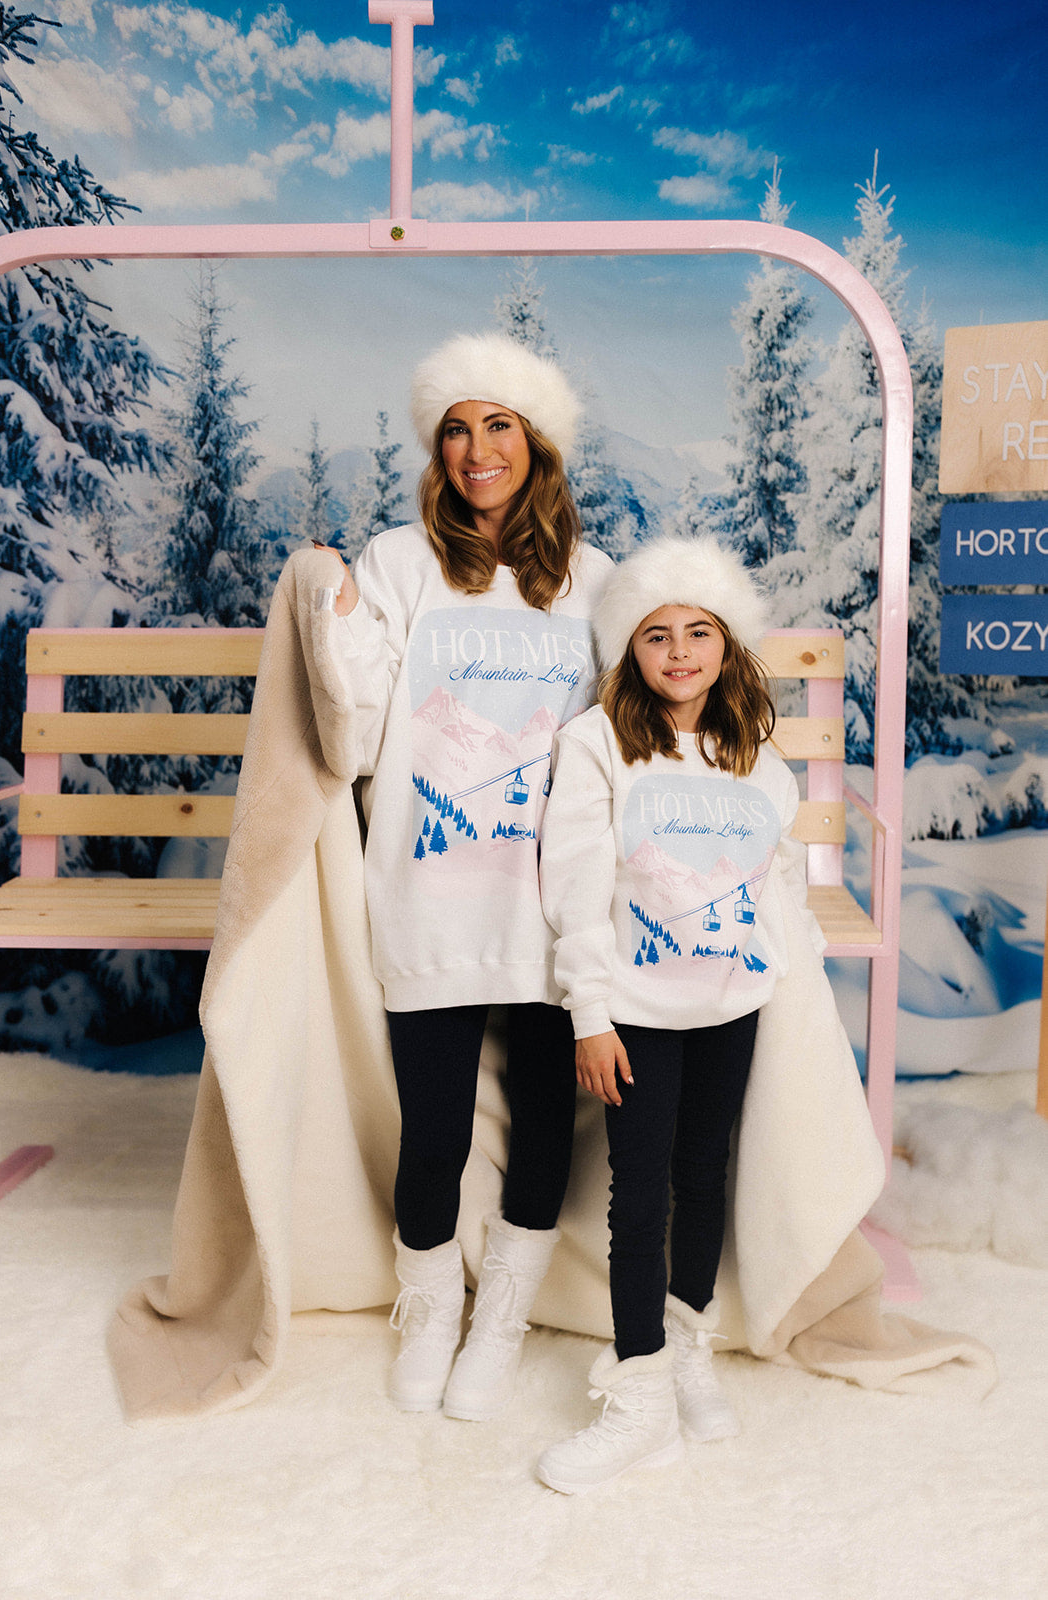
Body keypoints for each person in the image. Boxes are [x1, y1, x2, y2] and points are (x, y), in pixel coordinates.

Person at [317, 332, 612, 1420]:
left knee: (544, 1120)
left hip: (548, 901)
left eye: (498, 425)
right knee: (432, 1127)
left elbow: (622, 746)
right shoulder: (399, 562)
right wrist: (332, 621)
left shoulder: (597, 585)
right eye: (455, 427)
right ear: (435, 450)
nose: (476, 448)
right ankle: (430, 1300)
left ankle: (504, 1315)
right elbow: (348, 736)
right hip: (429, 886)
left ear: (535, 445)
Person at [535, 533, 818, 1493]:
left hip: (729, 1003)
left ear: (729, 647)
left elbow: (779, 879)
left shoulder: (757, 761)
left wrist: (786, 982)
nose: (680, 652)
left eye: (699, 632)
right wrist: (590, 1014)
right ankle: (640, 1394)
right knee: (638, 1193)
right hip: (638, 1013)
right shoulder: (596, 744)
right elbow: (572, 887)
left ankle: (689, 1341)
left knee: (705, 1177)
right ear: (629, 652)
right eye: (656, 635)